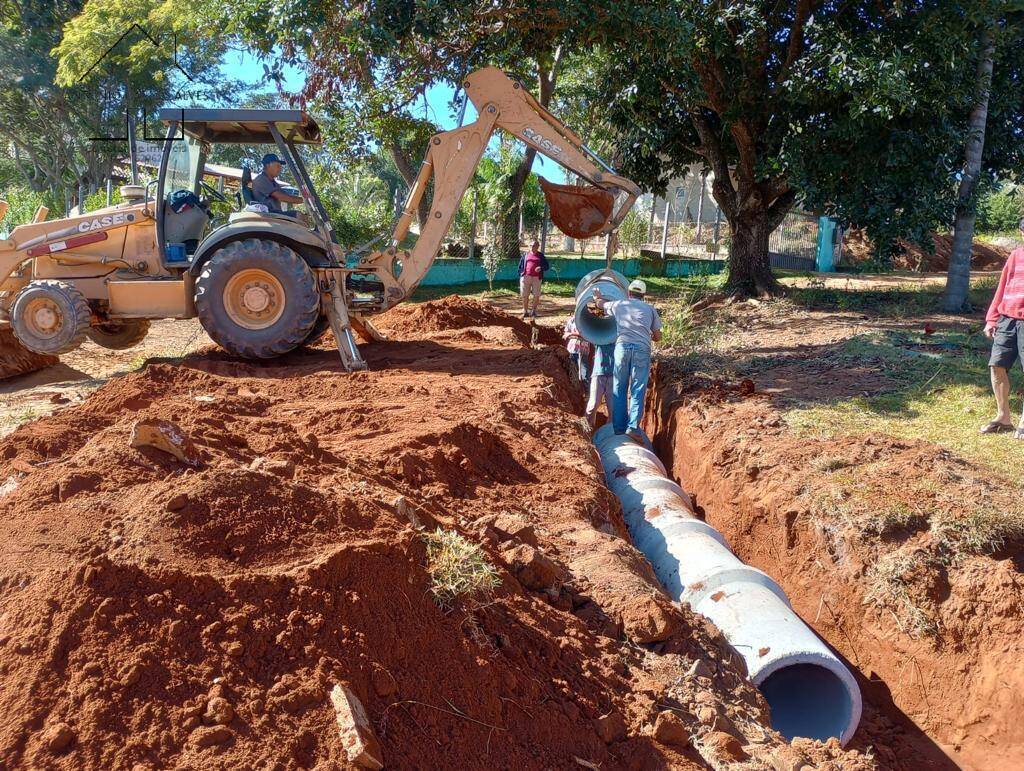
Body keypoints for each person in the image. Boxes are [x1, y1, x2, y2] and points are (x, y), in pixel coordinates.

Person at [592, 278, 662, 443]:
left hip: (621, 349)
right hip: (642, 350)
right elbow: (658, 336)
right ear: (643, 295)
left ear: (628, 293)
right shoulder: (650, 309)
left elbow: (601, 305)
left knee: (619, 387)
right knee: (637, 388)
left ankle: (618, 428)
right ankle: (632, 427)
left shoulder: (618, 304)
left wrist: (597, 297)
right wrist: (648, 334)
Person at [981, 217, 1024, 439]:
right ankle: (1003, 418)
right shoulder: (1016, 255)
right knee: (996, 366)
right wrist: (992, 318)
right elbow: (1003, 286)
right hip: (1007, 318)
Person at [585, 341, 616, 428]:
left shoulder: (620, 338)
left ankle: (608, 433)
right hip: (598, 374)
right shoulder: (600, 338)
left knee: (613, 409)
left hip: (614, 376)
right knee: (593, 404)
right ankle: (587, 428)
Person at [518, 240, 549, 319]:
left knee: (536, 294)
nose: (532, 247)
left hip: (536, 278)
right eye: (531, 245)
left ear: (538, 247)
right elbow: (520, 266)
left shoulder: (541, 256)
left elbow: (547, 266)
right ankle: (525, 311)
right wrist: (522, 274)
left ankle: (533, 311)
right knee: (525, 295)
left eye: (534, 246)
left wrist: (541, 268)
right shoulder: (525, 255)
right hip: (526, 277)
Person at [563, 313, 592, 391]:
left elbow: (586, 334)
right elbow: (565, 335)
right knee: (573, 371)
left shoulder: (587, 320)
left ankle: (587, 392)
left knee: (584, 373)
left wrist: (572, 334)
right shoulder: (572, 320)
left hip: (582, 350)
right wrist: (577, 335)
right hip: (571, 349)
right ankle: (575, 392)